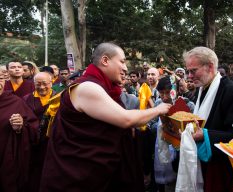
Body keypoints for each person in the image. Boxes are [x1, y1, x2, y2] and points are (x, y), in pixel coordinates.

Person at [39, 42, 171, 192]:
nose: (125, 68)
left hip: (99, 171)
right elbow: (126, 119)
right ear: (105, 60)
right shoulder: (87, 87)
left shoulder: (104, 88)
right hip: (79, 173)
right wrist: (159, 109)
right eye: (122, 61)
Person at [183, 46, 233, 192]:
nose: (189, 76)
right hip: (208, 165)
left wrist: (205, 135)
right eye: (188, 71)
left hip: (227, 172)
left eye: (193, 71)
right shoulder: (201, 90)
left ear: (210, 67)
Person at [0, 70, 39, 192]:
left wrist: (20, 127)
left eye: (0, 79)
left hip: (6, 159)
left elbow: (33, 128)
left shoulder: (15, 102)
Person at [23, 72, 57, 192]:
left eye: (45, 84)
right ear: (33, 84)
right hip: (32, 142)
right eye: (38, 84)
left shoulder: (58, 98)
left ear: (51, 82)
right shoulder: (26, 99)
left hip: (52, 143)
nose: (42, 87)